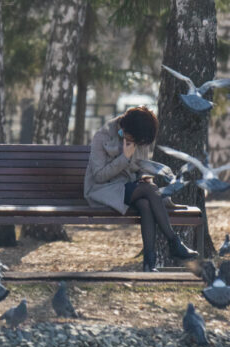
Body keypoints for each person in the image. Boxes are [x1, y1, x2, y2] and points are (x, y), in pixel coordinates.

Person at [84, 106, 198, 272]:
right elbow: (99, 176)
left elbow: (141, 167)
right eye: (134, 139)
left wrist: (144, 176)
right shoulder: (103, 136)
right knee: (149, 190)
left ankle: (149, 264)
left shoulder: (138, 136)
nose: (137, 144)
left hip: (129, 188)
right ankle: (174, 242)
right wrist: (125, 157)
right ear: (125, 129)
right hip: (103, 190)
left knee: (145, 203)